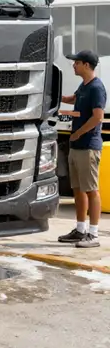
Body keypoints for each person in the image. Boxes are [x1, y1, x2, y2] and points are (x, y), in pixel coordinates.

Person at [58, 49, 105, 248]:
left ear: (86, 65)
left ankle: (93, 234)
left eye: (76, 62)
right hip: (77, 146)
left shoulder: (96, 88)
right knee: (77, 189)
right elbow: (71, 100)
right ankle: (80, 229)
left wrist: (78, 133)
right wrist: (53, 95)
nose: (73, 65)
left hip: (88, 147)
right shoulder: (84, 86)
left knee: (91, 190)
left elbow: (98, 117)